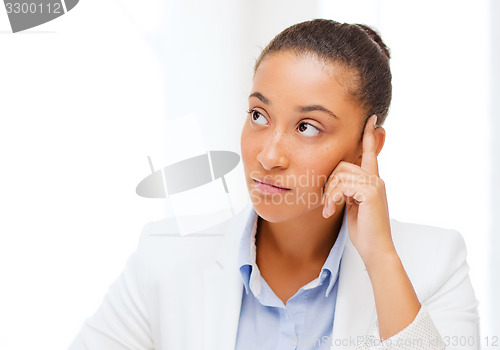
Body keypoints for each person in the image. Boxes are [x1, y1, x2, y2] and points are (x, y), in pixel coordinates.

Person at [68, 19, 479, 350]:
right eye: (259, 115)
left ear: (365, 147)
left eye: (307, 126)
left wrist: (381, 259)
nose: (269, 156)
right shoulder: (165, 256)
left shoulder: (434, 264)